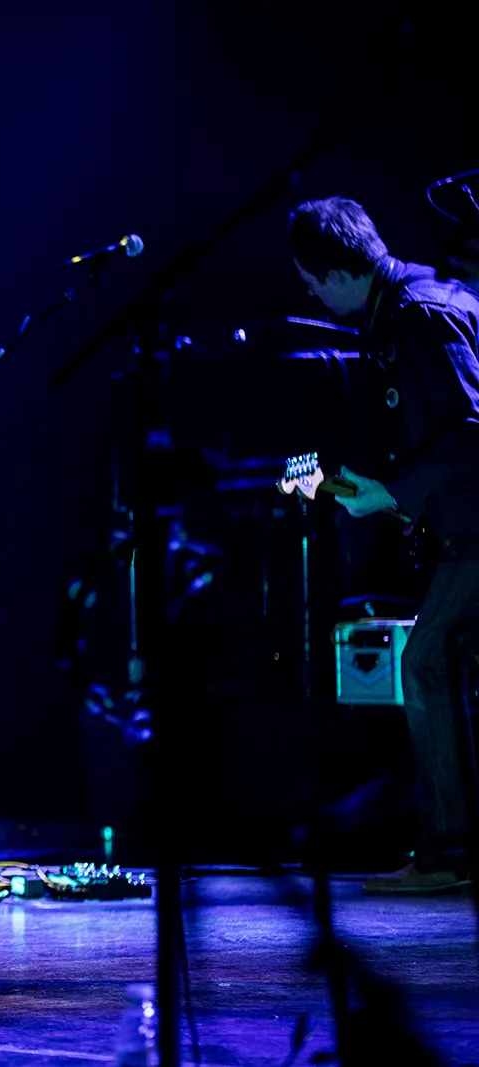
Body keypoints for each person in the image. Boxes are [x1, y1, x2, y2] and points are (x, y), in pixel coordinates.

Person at [288, 195, 479, 893]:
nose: (311, 296)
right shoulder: (420, 303)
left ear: (338, 273)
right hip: (464, 529)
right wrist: (383, 491)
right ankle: (450, 849)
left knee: (424, 662)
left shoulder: (420, 314)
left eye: (311, 282)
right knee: (434, 661)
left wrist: (392, 492)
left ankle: (449, 854)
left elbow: (470, 431)